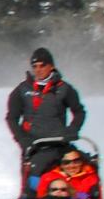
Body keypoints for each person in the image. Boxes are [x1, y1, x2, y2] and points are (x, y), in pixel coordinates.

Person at [7, 47, 85, 181]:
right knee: (33, 177)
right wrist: (22, 139)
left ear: (51, 66)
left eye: (43, 65)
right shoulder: (22, 90)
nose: (38, 69)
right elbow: (12, 118)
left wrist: (72, 130)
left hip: (59, 143)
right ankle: (29, 198)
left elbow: (79, 112)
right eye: (35, 66)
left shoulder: (63, 89)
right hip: (33, 145)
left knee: (80, 166)